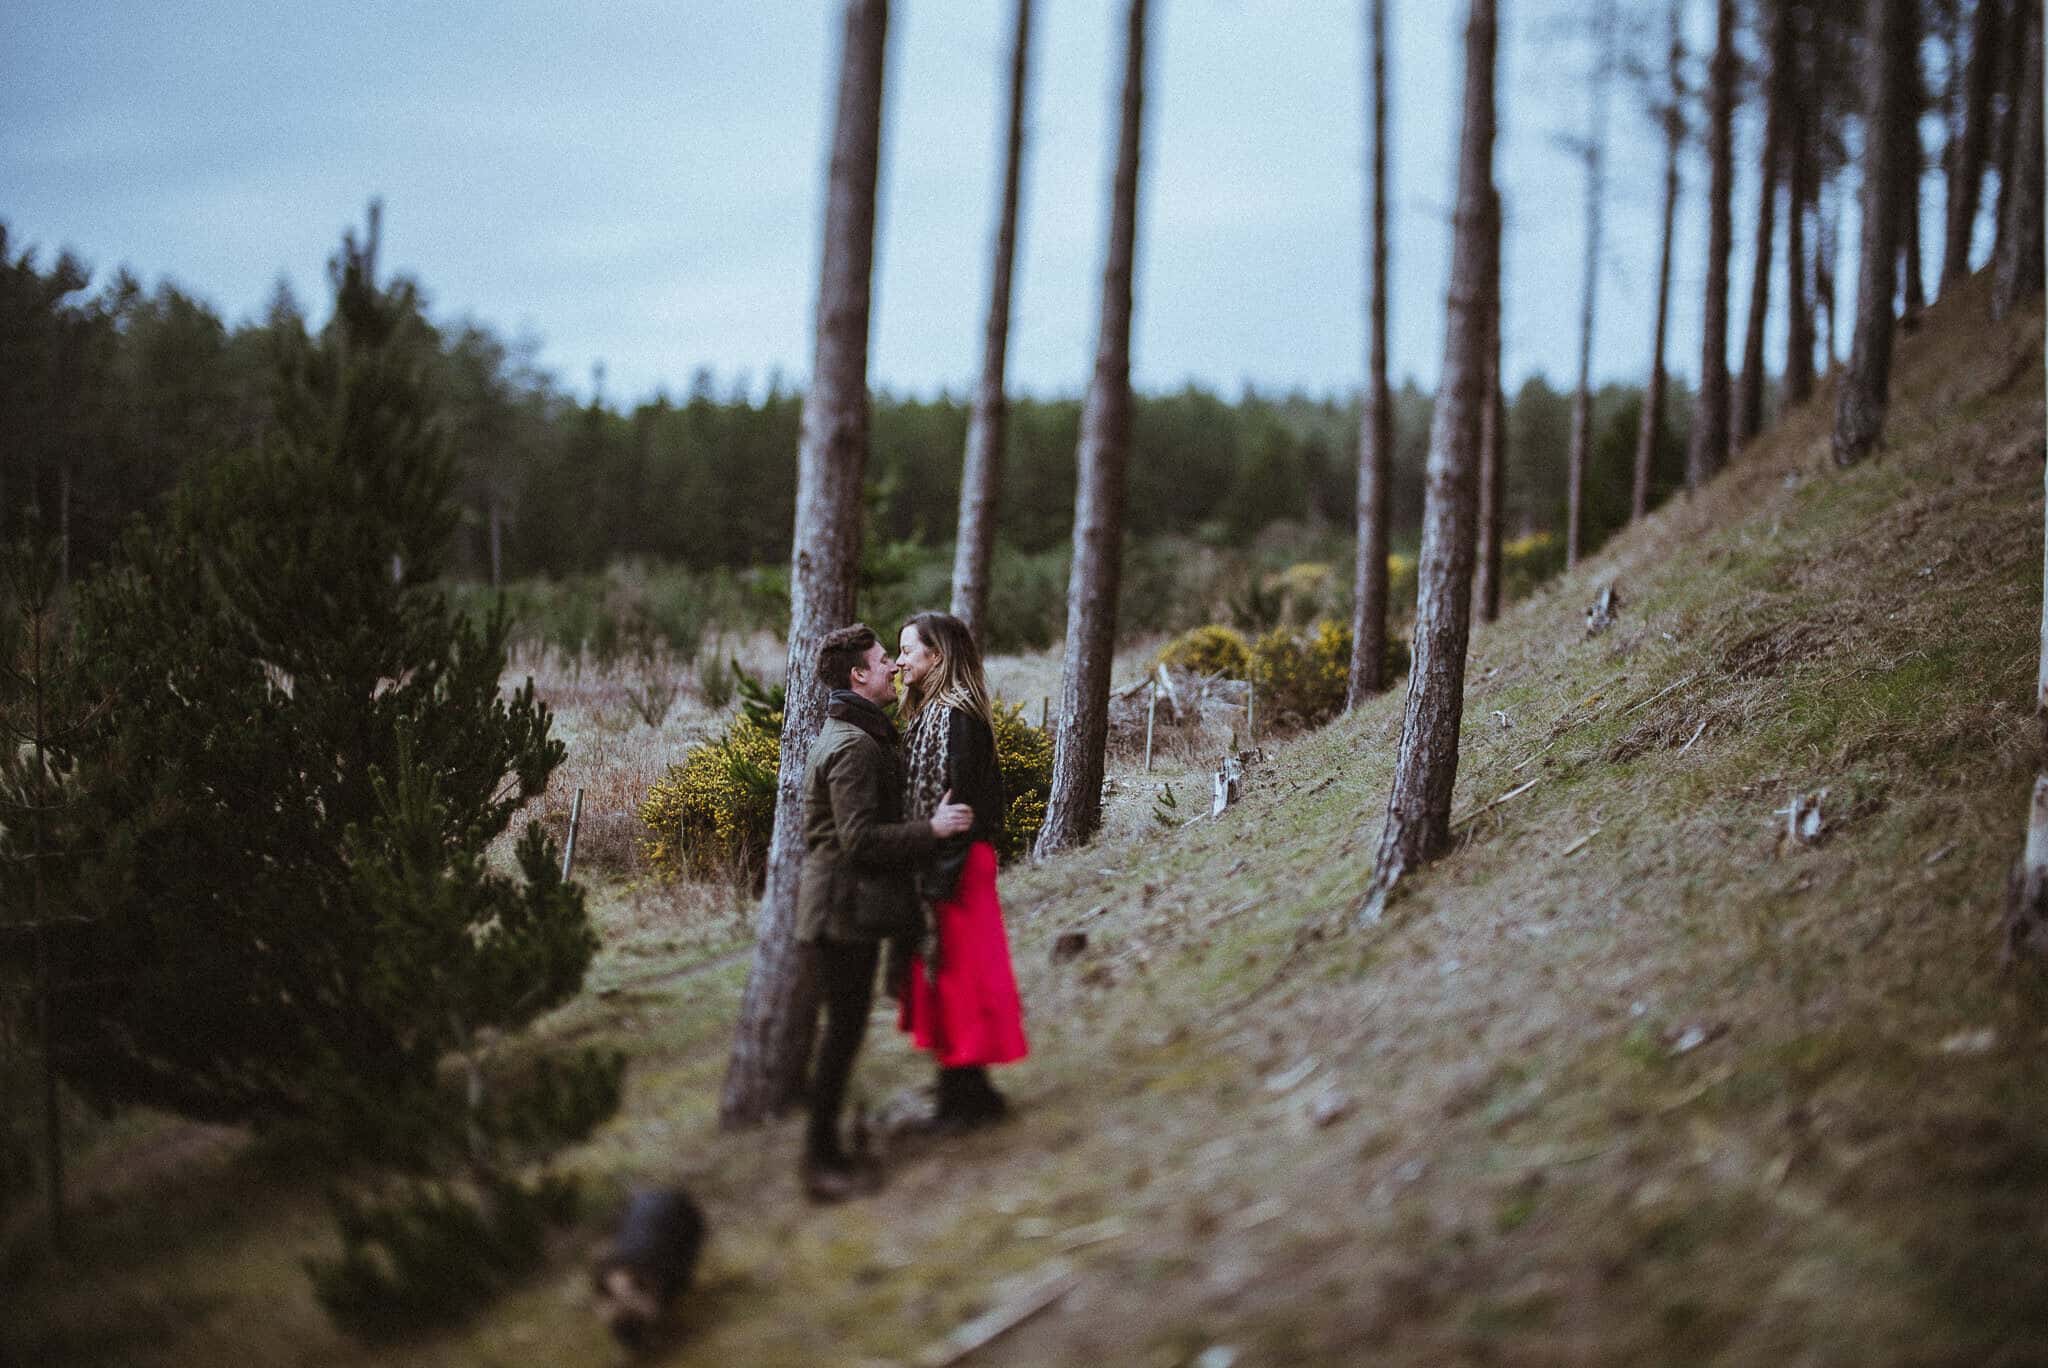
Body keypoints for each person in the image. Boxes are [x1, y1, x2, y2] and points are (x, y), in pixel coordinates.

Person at [797, 623, 974, 1203]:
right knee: (841, 1036)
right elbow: (859, 841)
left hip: (851, 908)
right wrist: (934, 829)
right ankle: (820, 1161)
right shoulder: (851, 747)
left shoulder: (863, 733)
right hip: (839, 911)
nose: (894, 667)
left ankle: (829, 1149)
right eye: (882, 660)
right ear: (858, 676)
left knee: (845, 1033)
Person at [893, 611, 1030, 1131]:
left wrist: (937, 876)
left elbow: (969, 805)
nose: (901, 660)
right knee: (947, 978)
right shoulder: (930, 715)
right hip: (943, 864)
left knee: (961, 979)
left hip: (956, 868)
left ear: (938, 656)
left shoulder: (956, 719)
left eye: (909, 650)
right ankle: (966, 1091)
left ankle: (965, 1097)